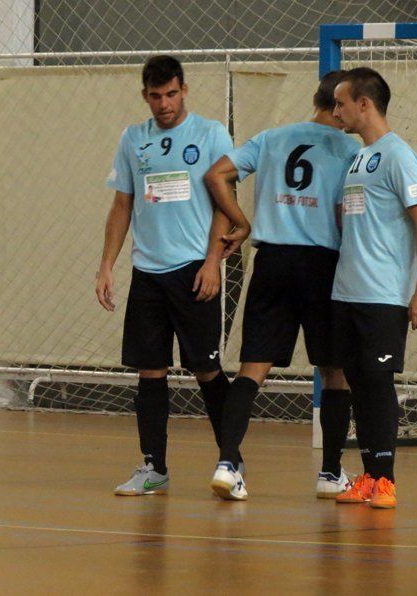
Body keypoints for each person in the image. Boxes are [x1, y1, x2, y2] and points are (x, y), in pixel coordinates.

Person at [203, 72, 360, 500]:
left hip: (271, 260)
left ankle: (227, 463)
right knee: (334, 372)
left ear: (315, 100)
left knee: (253, 368)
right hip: (322, 264)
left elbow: (217, 175)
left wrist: (240, 220)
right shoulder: (350, 147)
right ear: (340, 106)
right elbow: (348, 213)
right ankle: (330, 473)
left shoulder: (272, 137)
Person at [96, 55, 236, 496]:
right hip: (148, 274)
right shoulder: (133, 139)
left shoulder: (211, 134)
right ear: (145, 96)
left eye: (171, 94)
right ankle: (154, 467)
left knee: (207, 372)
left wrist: (213, 261)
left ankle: (232, 462)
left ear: (184, 90)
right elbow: (122, 205)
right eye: (155, 96)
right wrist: (106, 265)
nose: (164, 104)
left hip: (195, 270)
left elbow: (223, 202)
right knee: (150, 372)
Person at [330, 67, 417, 509]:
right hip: (347, 293)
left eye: (341, 103)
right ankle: (369, 475)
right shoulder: (358, 157)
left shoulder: (398, 155)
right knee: (357, 381)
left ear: (364, 104)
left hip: (383, 296)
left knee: (377, 380)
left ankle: (386, 479)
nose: (336, 111)